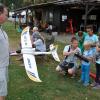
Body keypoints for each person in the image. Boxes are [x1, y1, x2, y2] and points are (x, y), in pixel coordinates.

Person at [0, 3, 9, 100]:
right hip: (0, 68)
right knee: (1, 93)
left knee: (3, 92)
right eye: (6, 14)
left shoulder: (1, 29)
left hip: (4, 65)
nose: (7, 17)